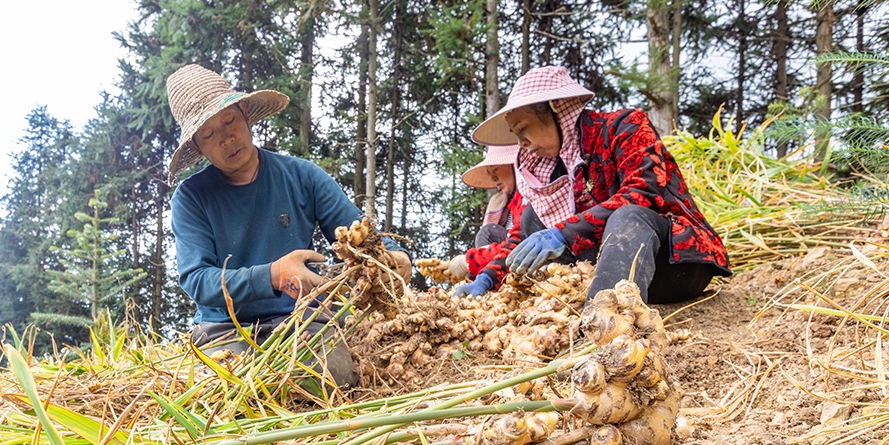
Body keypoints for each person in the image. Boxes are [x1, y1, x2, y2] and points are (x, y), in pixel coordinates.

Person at [166, 64, 412, 388]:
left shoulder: (303, 176)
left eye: (230, 121)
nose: (227, 138)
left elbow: (359, 233)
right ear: (197, 146)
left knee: (329, 377)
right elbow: (199, 281)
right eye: (210, 134)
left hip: (301, 321)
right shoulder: (191, 198)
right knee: (224, 389)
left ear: (245, 114)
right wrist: (274, 275)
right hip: (225, 329)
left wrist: (392, 257)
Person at [471, 66, 731, 304]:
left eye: (523, 128)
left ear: (556, 109)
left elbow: (644, 194)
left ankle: (601, 319)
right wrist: (487, 277)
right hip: (611, 269)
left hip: (674, 265)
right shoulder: (554, 169)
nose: (522, 143)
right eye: (516, 135)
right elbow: (521, 237)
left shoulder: (624, 127)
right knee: (530, 218)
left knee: (628, 215)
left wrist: (563, 233)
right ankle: (585, 303)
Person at [448, 144, 545, 298]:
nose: (493, 178)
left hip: (538, 255)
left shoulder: (530, 197)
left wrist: (470, 261)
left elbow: (519, 242)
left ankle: (491, 280)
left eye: (496, 169)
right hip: (511, 254)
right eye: (490, 173)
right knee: (487, 232)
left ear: (515, 164)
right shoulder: (509, 203)